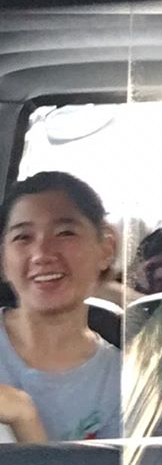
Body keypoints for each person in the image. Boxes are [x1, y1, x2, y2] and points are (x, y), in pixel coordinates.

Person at [0, 171, 120, 442]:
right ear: (3, 260)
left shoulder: (123, 384)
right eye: (23, 237)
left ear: (106, 249)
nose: (42, 254)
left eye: (65, 233)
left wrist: (23, 417)